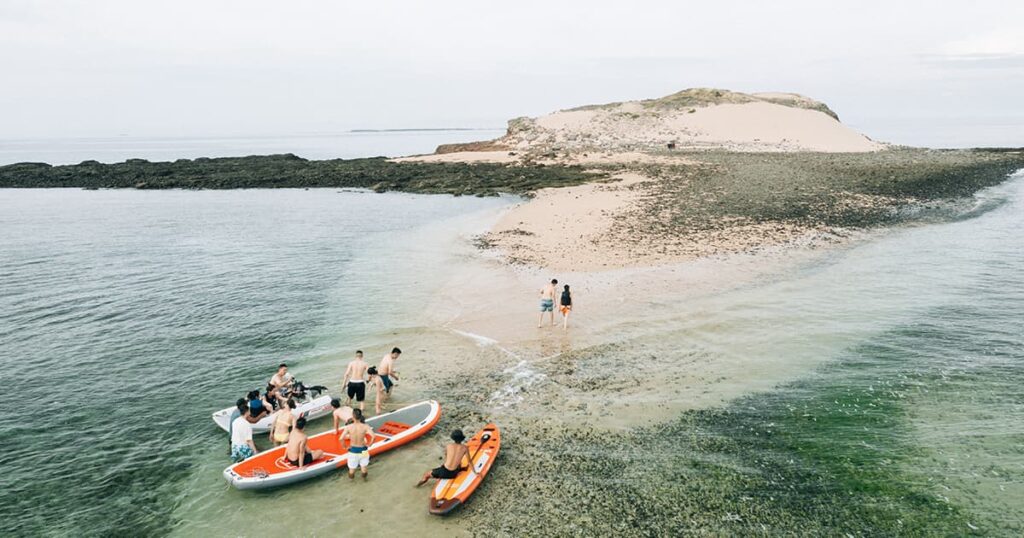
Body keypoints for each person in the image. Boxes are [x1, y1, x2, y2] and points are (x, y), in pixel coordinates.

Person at [339, 408, 373, 480]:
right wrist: (370, 444)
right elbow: (374, 436)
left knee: (351, 469)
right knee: (364, 468)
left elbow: (341, 438)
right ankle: (365, 480)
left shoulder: (348, 427)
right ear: (361, 416)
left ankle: (351, 481)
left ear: (352, 416)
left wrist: (345, 447)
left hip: (353, 451)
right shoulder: (365, 426)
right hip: (364, 450)